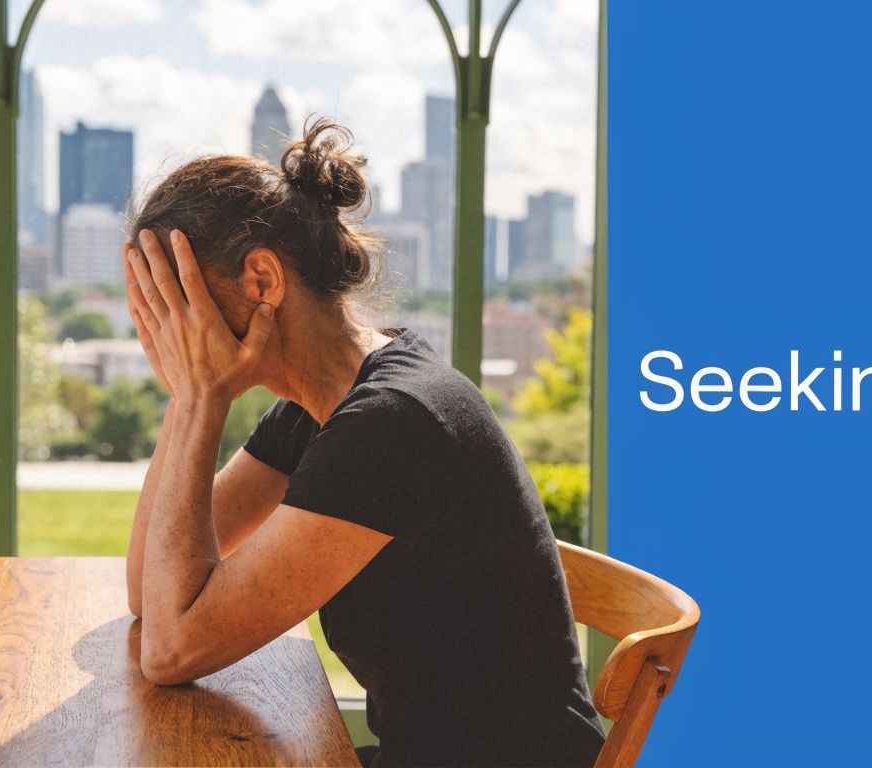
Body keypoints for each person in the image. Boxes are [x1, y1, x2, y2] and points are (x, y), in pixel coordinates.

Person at [122, 117, 605, 767]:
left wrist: (199, 397)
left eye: (174, 301)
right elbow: (149, 596)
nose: (163, 331)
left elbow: (174, 647)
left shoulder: (392, 423)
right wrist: (188, 398)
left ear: (262, 280)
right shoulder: (321, 403)